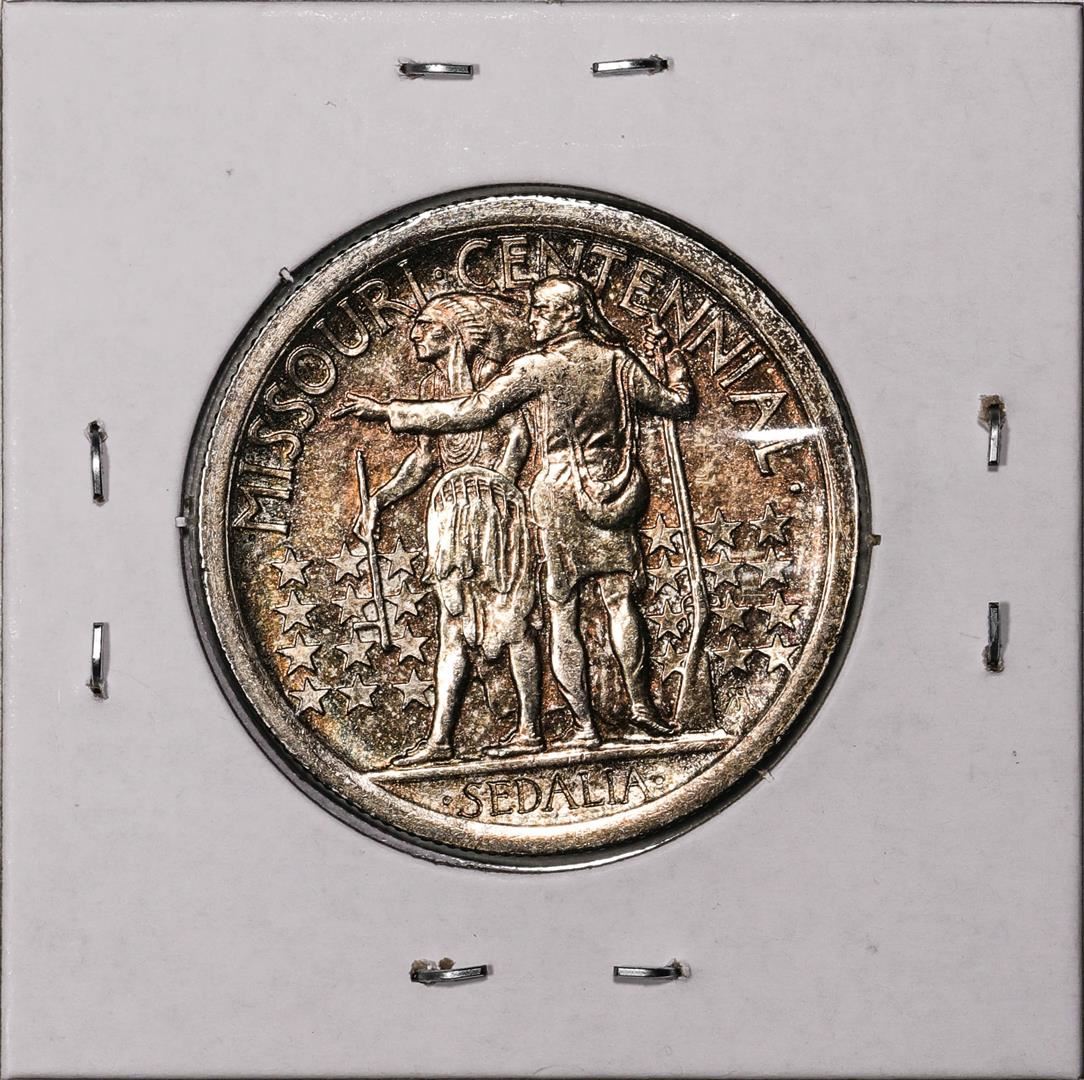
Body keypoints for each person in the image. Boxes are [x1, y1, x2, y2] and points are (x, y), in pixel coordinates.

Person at [338, 277, 695, 747]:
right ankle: (641, 707)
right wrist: (675, 368)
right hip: (615, 486)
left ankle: (586, 727)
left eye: (541, 311)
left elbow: (472, 411)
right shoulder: (619, 361)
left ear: (570, 314)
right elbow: (677, 403)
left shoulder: (536, 366)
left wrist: (389, 411)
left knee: (563, 612)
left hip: (558, 493)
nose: (532, 319)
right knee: (619, 600)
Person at [338, 292, 542, 767]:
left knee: (514, 621)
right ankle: (441, 740)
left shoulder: (495, 378)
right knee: (452, 623)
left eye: (426, 325)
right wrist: (380, 498)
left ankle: (531, 729)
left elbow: (518, 436)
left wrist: (498, 486)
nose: (415, 334)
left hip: (497, 510)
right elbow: (424, 459)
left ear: (454, 333)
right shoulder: (431, 388)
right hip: (450, 514)